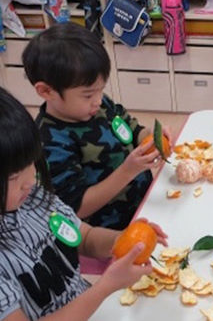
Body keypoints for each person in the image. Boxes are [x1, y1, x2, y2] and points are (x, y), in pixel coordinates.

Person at [0, 88, 168, 321]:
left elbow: (83, 237)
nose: (30, 181)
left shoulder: (32, 197)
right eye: (12, 178)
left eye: (31, 163)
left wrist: (122, 241)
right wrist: (105, 287)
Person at [23, 22, 171, 230]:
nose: (99, 100)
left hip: (145, 206)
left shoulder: (99, 105)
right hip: (110, 232)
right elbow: (78, 208)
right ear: (46, 91)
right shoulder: (50, 141)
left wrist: (152, 137)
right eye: (88, 94)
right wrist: (128, 170)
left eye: (101, 90)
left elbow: (132, 129)